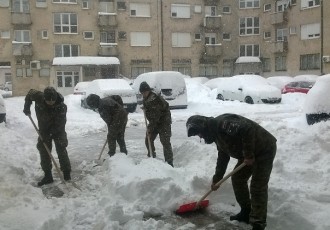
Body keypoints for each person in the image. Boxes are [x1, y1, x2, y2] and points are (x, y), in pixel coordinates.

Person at [186, 113, 276, 230]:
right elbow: (223, 157)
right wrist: (217, 179)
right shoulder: (216, 135)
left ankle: (258, 223)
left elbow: (247, 129)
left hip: (263, 149)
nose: (200, 136)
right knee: (238, 179)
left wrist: (248, 154)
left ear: (204, 127)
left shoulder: (223, 124)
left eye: (199, 133)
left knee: (257, 186)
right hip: (248, 156)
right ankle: (246, 211)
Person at [23, 87, 71, 186]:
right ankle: (48, 176)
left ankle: (66, 173)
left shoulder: (61, 107)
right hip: (44, 130)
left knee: (61, 149)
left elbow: (60, 124)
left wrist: (51, 133)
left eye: (52, 101)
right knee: (44, 151)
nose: (50, 103)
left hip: (58, 131)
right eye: (48, 101)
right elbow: (30, 92)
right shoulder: (38, 96)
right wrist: (27, 106)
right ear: (44, 98)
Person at [139, 81, 173, 167]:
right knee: (148, 140)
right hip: (155, 122)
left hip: (164, 122)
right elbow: (151, 112)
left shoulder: (154, 99)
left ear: (148, 91)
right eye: (142, 93)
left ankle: (169, 163)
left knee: (165, 142)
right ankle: (151, 157)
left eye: (145, 92)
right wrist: (146, 108)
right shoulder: (147, 99)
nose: (144, 94)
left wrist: (150, 128)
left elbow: (155, 117)